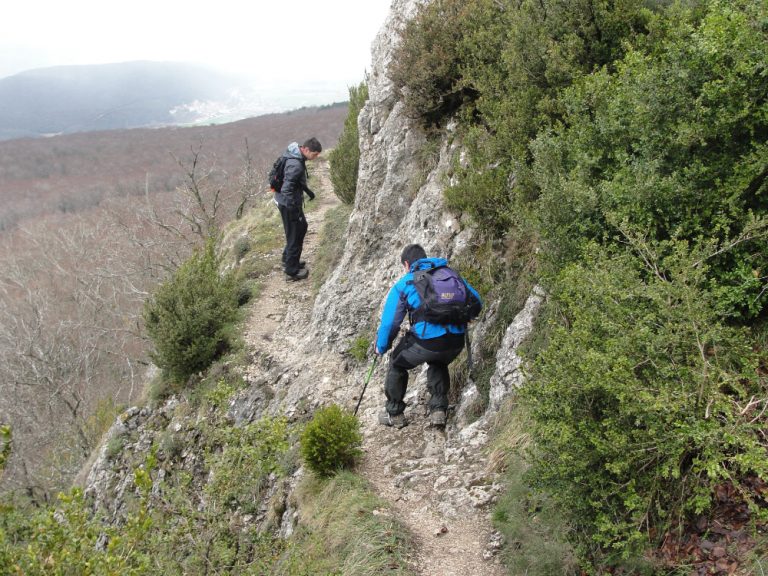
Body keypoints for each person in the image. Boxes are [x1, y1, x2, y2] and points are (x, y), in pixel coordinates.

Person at [374, 244, 482, 428]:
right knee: (439, 361)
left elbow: (390, 323)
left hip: (426, 343)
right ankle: (439, 410)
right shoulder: (449, 274)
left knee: (396, 362)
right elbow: (477, 301)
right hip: (456, 342)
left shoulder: (406, 283)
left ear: (407, 264)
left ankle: (395, 413)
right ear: (425, 258)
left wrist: (381, 347)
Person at [274, 137, 322, 281]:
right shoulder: (296, 164)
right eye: (314, 154)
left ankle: (288, 259)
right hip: (288, 204)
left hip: (285, 201)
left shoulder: (295, 155)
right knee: (295, 233)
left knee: (300, 229)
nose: (315, 158)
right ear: (306, 149)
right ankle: (291, 271)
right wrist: (294, 211)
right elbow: (287, 189)